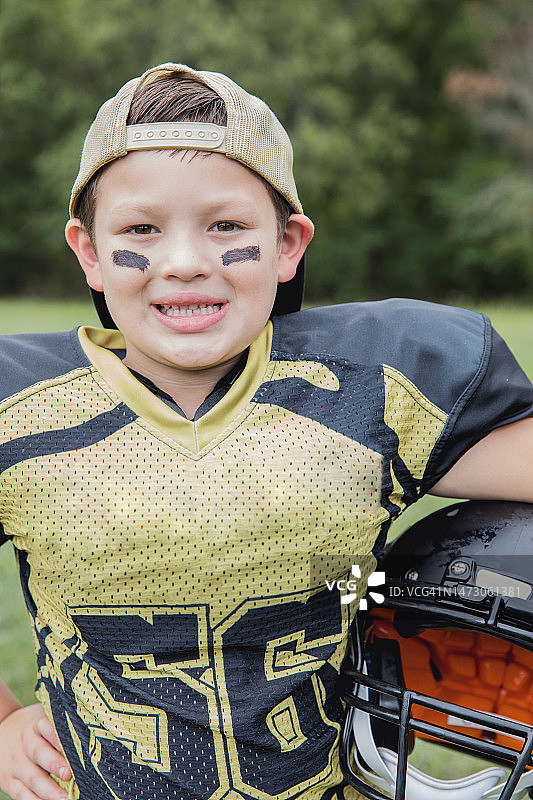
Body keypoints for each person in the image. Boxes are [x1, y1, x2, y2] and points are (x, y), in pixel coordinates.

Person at [0, 62, 532, 800]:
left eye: (225, 226)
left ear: (287, 244)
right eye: (141, 229)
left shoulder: (374, 391)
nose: (184, 263)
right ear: (89, 250)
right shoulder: (24, 409)